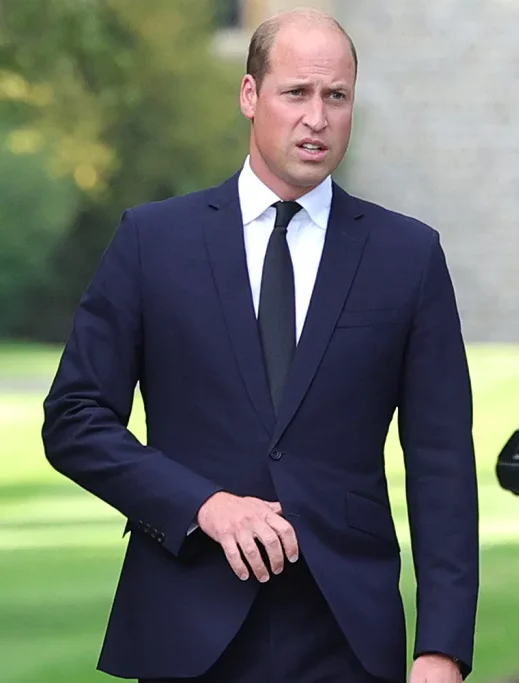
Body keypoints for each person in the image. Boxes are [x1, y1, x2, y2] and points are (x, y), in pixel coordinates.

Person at [40, 8, 478, 683]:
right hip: (186, 624)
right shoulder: (152, 242)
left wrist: (442, 647)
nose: (318, 116)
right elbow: (75, 419)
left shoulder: (408, 255)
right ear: (250, 96)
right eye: (296, 92)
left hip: (346, 634)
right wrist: (204, 505)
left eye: (336, 96)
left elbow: (442, 463)